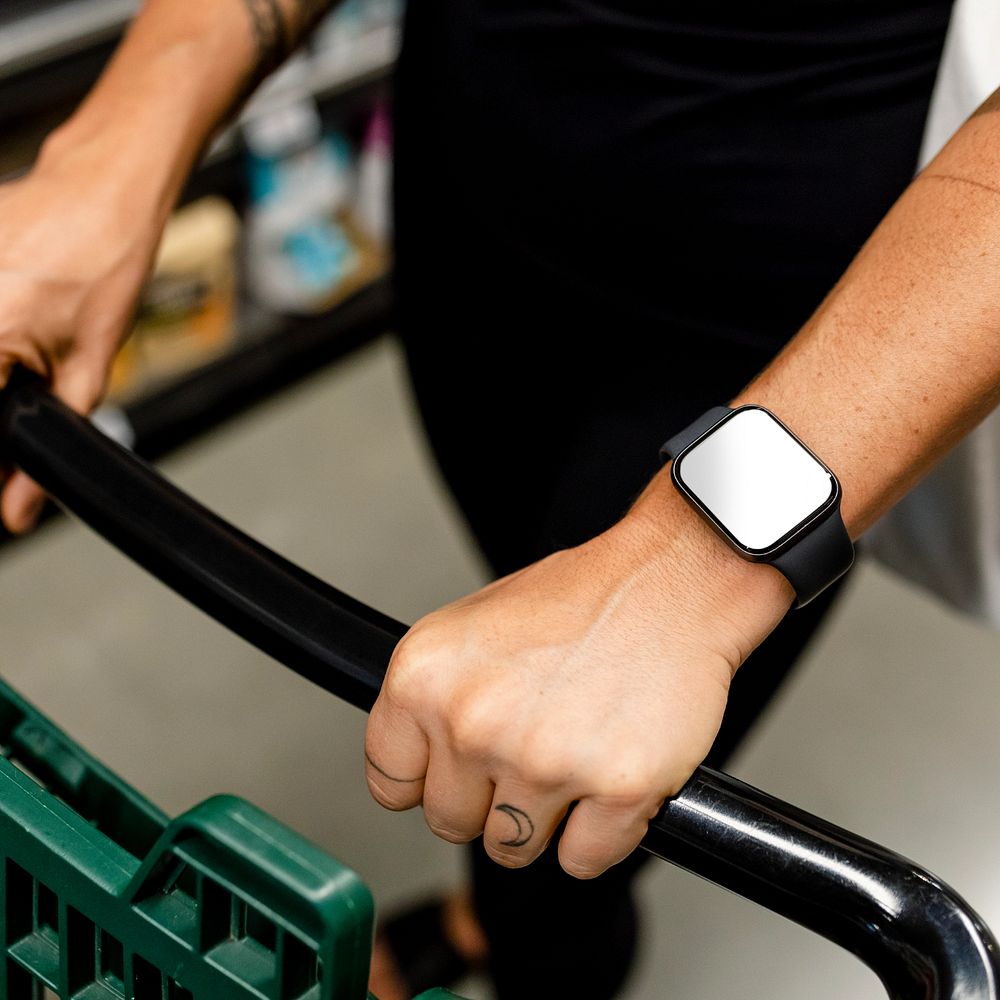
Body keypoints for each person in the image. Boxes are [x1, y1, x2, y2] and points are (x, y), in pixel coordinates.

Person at [1, 1, 998, 997]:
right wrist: (112, 149)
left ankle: (533, 939)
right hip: (473, 200)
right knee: (518, 596)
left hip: (777, 306)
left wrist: (701, 558)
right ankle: (498, 915)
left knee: (567, 816)